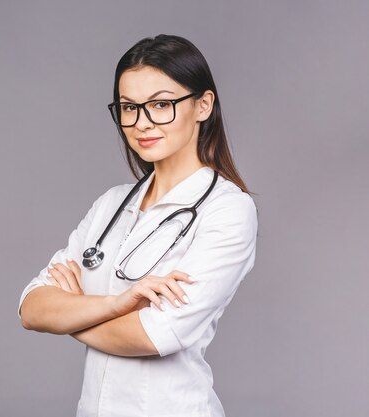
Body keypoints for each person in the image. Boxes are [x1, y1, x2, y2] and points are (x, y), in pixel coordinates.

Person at [17, 34, 258, 417]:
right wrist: (115, 305)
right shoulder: (111, 205)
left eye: (161, 104)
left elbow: (153, 335)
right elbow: (31, 307)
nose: (142, 123)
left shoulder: (227, 210)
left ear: (203, 105)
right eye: (129, 107)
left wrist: (72, 317)